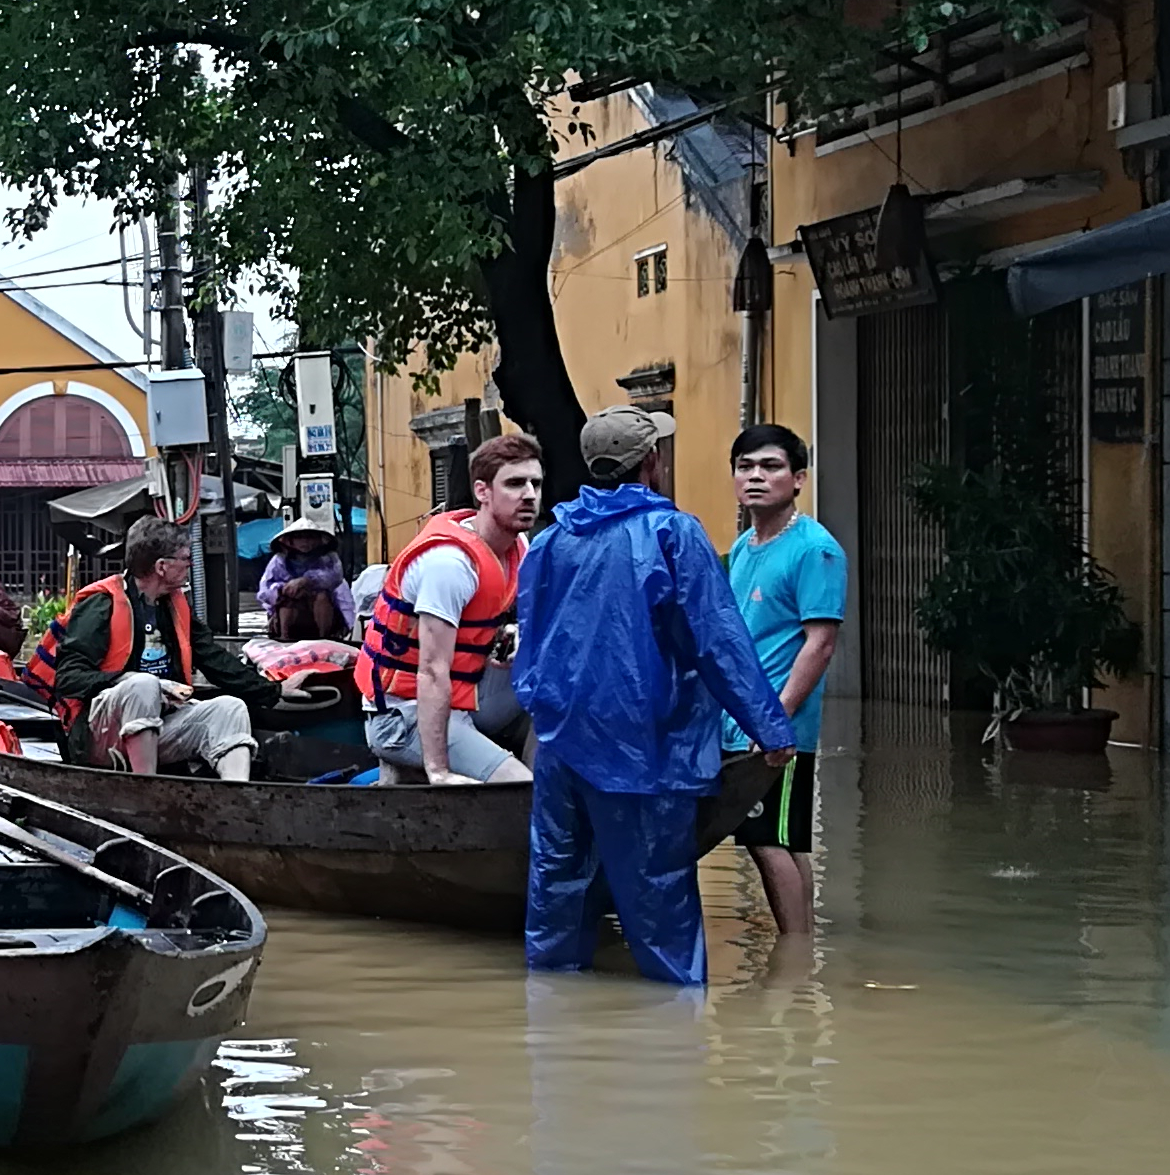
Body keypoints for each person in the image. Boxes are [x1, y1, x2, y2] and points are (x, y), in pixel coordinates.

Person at [512, 409, 797, 985]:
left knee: (556, 895)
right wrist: (771, 730)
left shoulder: (550, 540)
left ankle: (547, 1027)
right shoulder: (673, 533)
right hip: (644, 747)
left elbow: (530, 645)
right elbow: (717, 641)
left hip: (562, 745)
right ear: (652, 462)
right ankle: (672, 1038)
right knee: (659, 901)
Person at [25, 516, 290, 778]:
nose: (190, 564)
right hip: (101, 736)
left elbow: (214, 658)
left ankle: (237, 796)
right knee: (143, 685)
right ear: (162, 566)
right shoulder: (102, 605)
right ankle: (147, 787)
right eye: (186, 558)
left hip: (160, 722)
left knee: (230, 708)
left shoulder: (172, 605)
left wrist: (273, 691)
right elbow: (69, 679)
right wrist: (127, 678)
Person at [357, 434, 544, 783]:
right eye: (515, 484)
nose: (529, 495)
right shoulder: (450, 564)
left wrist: (508, 637)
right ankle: (524, 792)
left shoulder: (518, 543)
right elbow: (431, 671)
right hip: (403, 713)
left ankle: (541, 796)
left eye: (535, 483)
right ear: (483, 492)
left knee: (559, 697)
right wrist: (439, 771)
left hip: (469, 695)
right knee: (517, 786)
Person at [722, 421, 847, 938]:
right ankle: (800, 949)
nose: (755, 477)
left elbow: (820, 643)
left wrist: (776, 720)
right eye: (745, 467)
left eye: (770, 467)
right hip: (743, 721)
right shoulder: (747, 546)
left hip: (776, 726)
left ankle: (794, 957)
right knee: (784, 838)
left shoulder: (815, 550)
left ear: (798, 479)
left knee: (765, 839)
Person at [259, 515, 351, 641]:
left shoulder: (329, 558)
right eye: (299, 538)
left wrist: (307, 581)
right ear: (290, 541)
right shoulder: (279, 560)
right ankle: (284, 637)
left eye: (309, 538)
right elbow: (264, 591)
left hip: (324, 616)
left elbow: (335, 577)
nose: (304, 542)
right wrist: (281, 590)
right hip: (291, 617)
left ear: (318, 540)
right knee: (288, 599)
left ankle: (324, 637)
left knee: (322, 596)